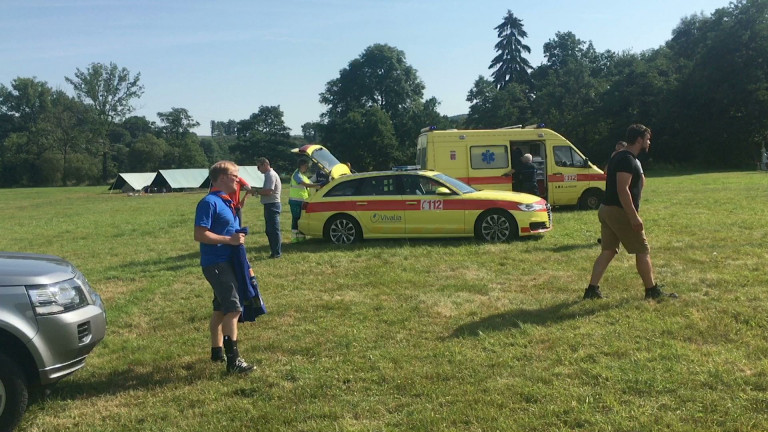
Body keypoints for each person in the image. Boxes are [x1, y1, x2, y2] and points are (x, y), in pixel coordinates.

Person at [583, 124, 677, 301]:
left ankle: (591, 290)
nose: (649, 142)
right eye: (647, 139)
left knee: (608, 251)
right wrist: (633, 216)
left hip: (606, 209)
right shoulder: (627, 159)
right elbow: (622, 189)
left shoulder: (619, 156)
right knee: (642, 250)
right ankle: (651, 291)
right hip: (618, 211)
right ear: (639, 140)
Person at [194, 160, 255, 373]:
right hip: (217, 263)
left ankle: (217, 351)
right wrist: (229, 240)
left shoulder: (226, 202)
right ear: (221, 178)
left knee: (220, 309)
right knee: (234, 309)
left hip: (228, 262)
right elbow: (199, 234)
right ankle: (234, 361)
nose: (238, 180)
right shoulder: (209, 202)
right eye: (235, 176)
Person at [254, 157, 282, 258]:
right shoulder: (268, 175)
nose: (258, 169)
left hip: (272, 205)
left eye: (259, 166)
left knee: (273, 230)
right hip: (270, 205)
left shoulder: (270, 175)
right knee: (269, 230)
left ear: (265, 165)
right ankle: (274, 252)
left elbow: (268, 191)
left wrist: (256, 191)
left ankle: (276, 253)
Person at [288, 158, 321, 242]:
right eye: (306, 166)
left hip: (302, 200)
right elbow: (306, 184)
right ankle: (295, 237)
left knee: (301, 219)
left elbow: (310, 183)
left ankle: (301, 236)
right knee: (296, 218)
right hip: (295, 201)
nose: (307, 168)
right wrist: (319, 185)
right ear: (301, 165)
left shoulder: (303, 175)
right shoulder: (297, 175)